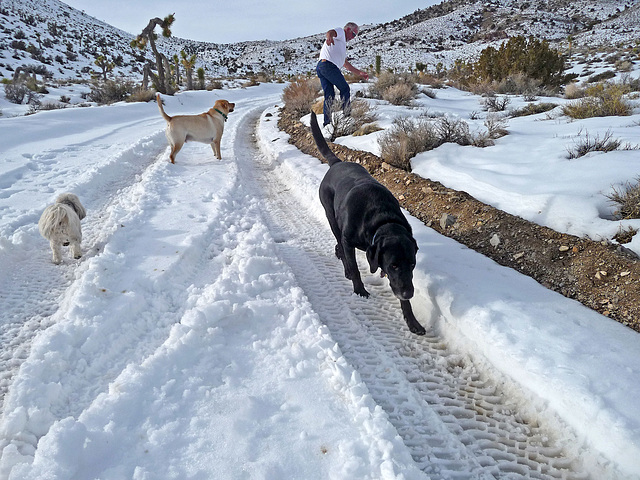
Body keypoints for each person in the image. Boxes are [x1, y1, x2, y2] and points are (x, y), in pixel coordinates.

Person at [316, 22, 369, 127]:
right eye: (354, 34)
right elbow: (330, 32)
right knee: (345, 89)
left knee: (329, 96)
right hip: (329, 66)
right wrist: (329, 37)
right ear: (348, 29)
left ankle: (327, 124)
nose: (353, 37)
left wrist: (360, 73)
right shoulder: (341, 32)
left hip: (321, 67)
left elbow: (346, 64)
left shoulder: (341, 44)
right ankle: (347, 117)